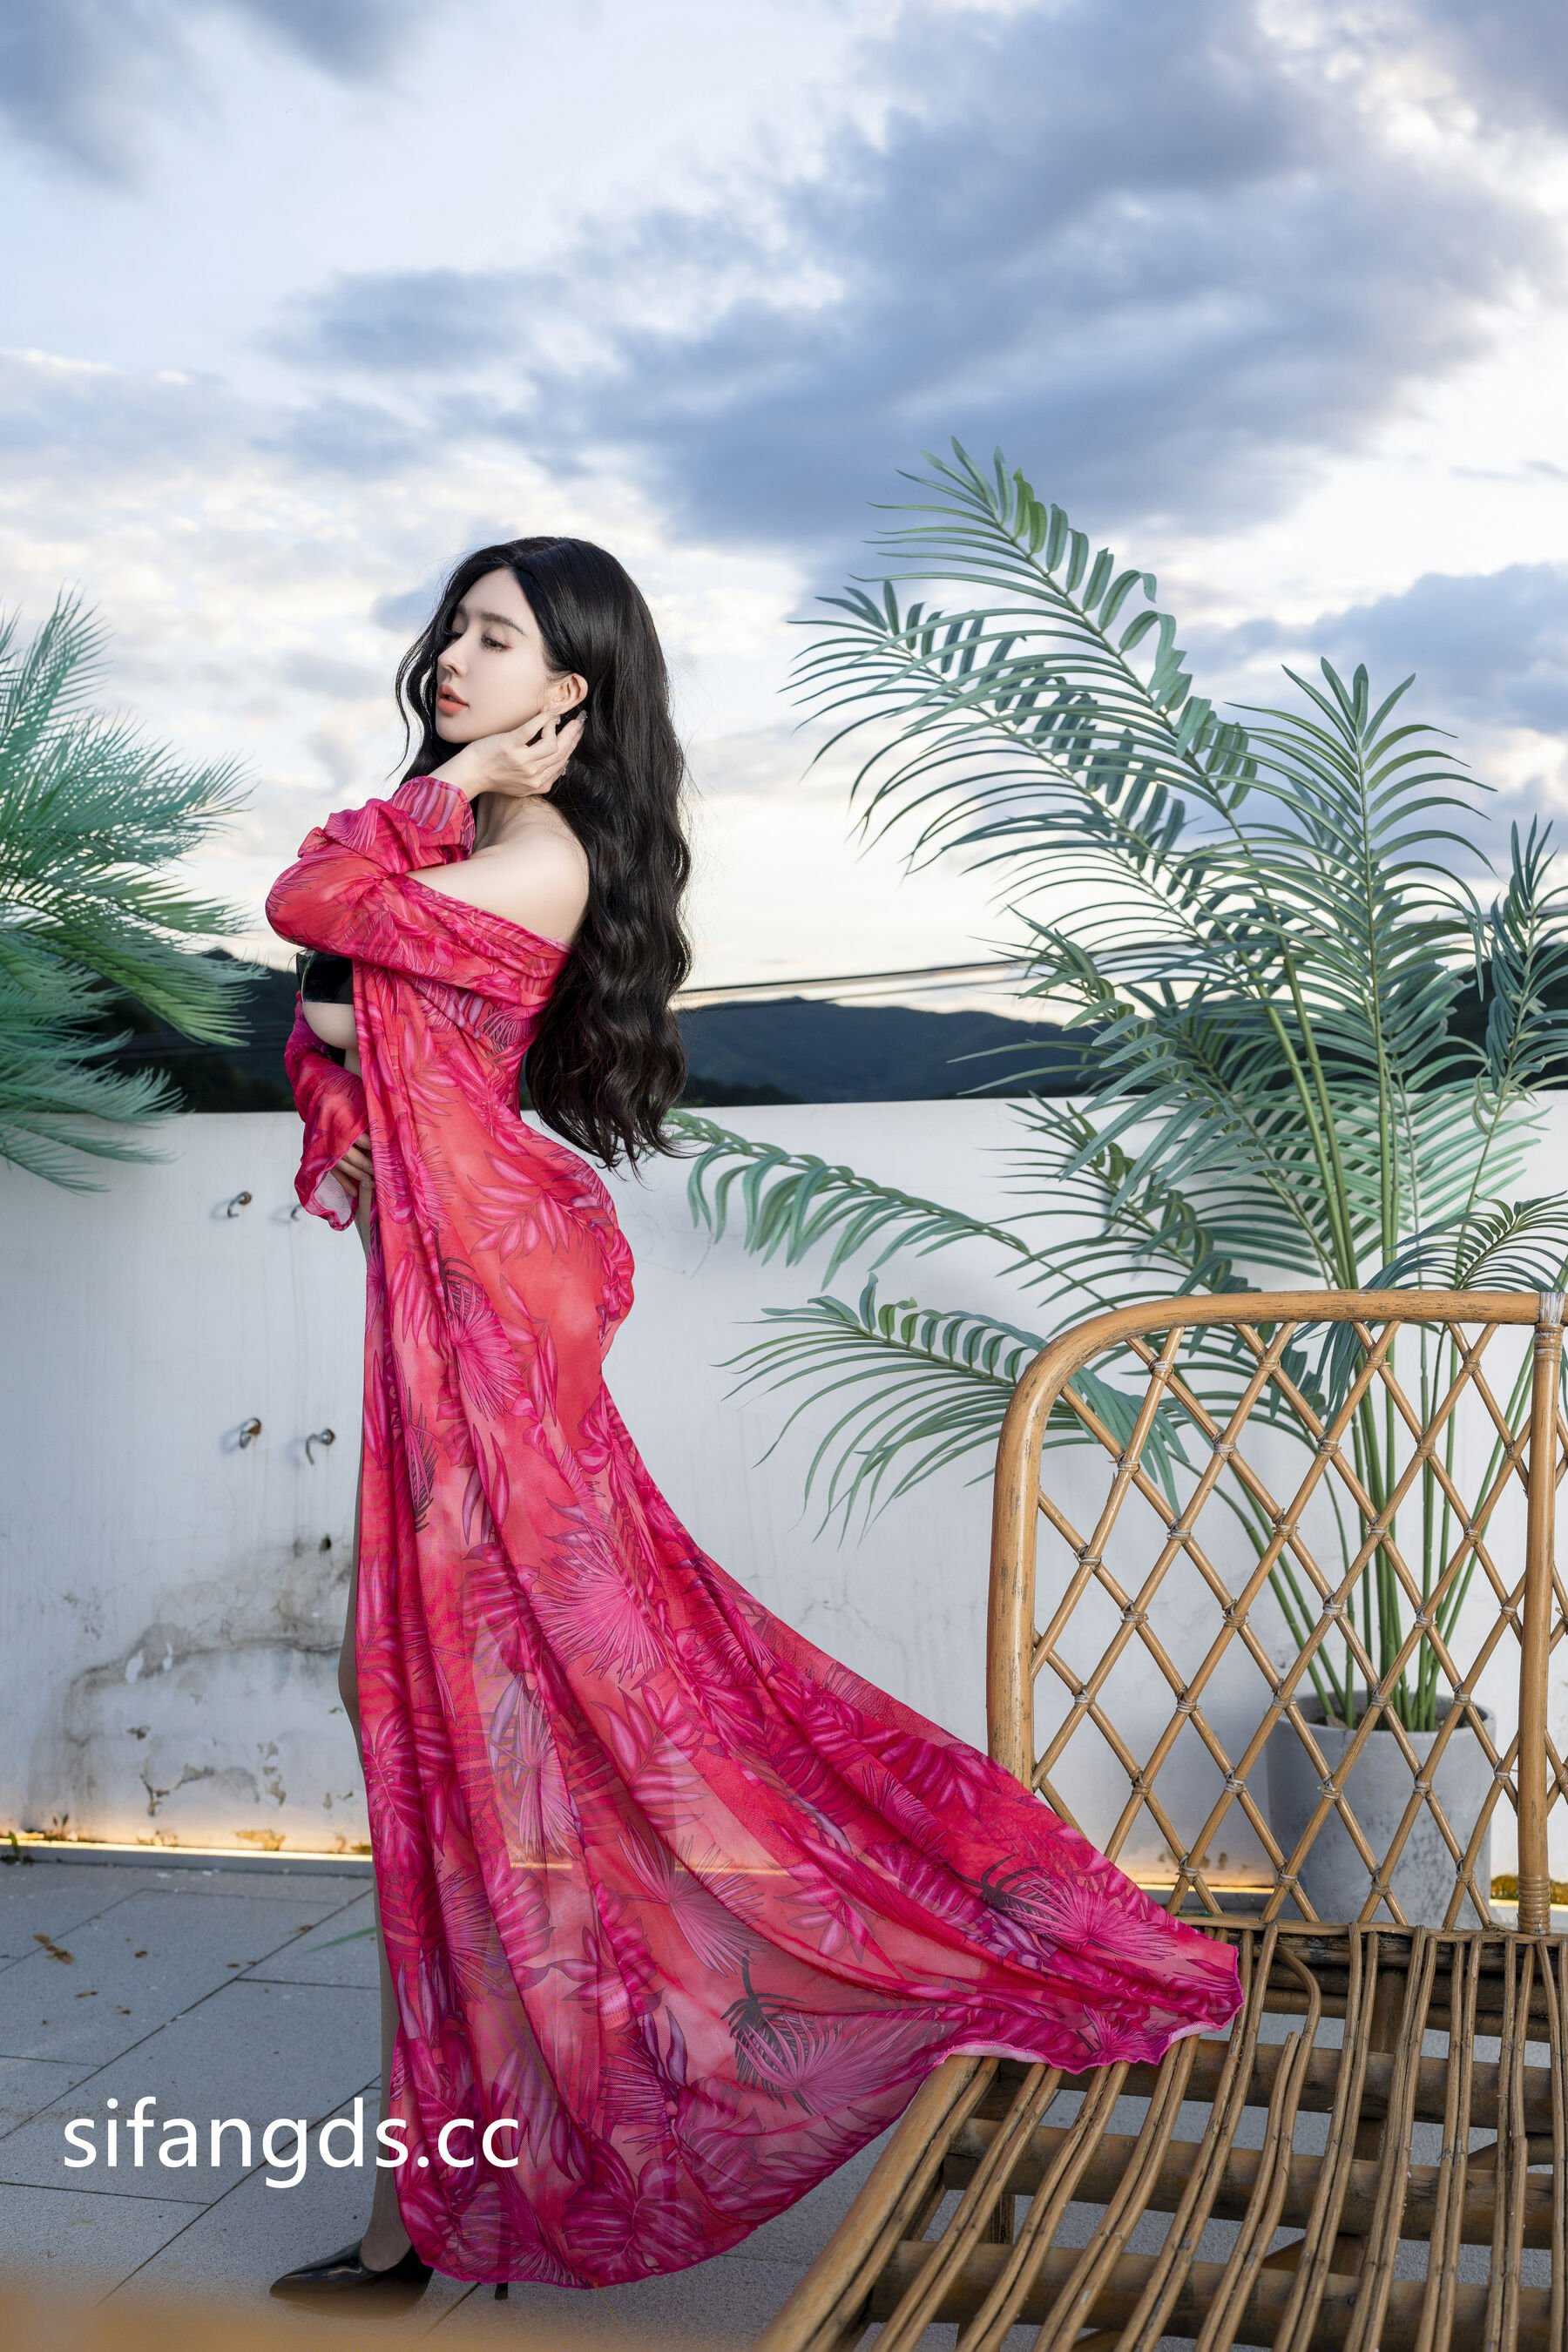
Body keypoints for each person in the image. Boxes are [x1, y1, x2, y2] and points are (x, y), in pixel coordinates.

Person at [265, 537, 1244, 2309]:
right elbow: (339, 992)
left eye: (495, 640)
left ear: (571, 690)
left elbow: (310, 908)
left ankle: (563, 2109)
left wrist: (436, 801)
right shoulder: (482, 852)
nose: (451, 659)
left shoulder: (534, 854)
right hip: (452, 1296)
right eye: (451, 631)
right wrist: (387, 926)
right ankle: (449, 2167)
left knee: (516, 1713)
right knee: (428, 1712)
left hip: (489, 1311)